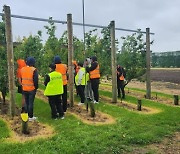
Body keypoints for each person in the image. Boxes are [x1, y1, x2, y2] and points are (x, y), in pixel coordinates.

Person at [21, 57, 38, 121]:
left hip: (24, 88)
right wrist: (36, 87)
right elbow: (35, 80)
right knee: (31, 102)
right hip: (31, 89)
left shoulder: (22, 69)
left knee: (26, 102)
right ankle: (31, 116)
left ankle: (27, 115)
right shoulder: (34, 70)